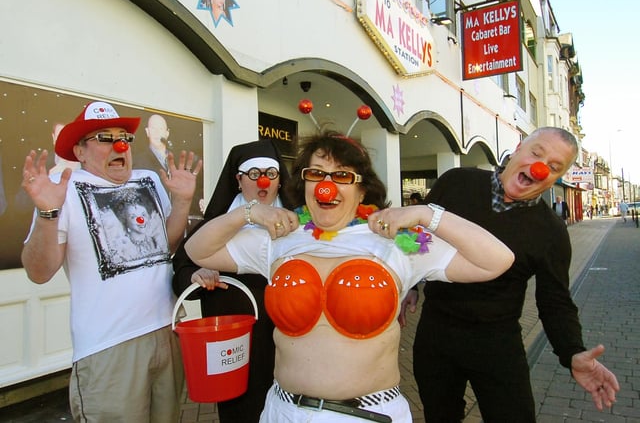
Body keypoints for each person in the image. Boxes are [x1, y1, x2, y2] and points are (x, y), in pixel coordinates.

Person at [183, 131, 514, 422]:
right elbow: (199, 251)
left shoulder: (397, 241)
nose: (328, 186)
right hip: (284, 411)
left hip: (366, 414)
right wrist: (249, 212)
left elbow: (496, 260)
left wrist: (427, 214)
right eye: (317, 173)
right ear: (304, 183)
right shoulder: (279, 238)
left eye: (342, 175)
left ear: (361, 190)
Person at [403, 127, 619, 422]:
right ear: (518, 149)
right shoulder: (456, 182)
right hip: (436, 333)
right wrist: (411, 285)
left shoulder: (551, 232)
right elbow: (421, 238)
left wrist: (572, 352)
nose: (541, 167)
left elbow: (554, 301)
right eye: (537, 153)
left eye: (554, 167)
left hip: (497, 342)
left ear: (556, 179)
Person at [20, 101, 202, 422]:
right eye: (104, 138)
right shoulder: (64, 190)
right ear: (80, 152)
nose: (120, 145)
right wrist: (48, 214)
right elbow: (39, 272)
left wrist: (183, 201)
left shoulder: (149, 180)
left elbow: (166, 246)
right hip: (110, 347)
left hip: (167, 333)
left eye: (124, 138)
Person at [172, 139, 293, 423]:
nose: (263, 180)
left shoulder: (295, 221)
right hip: (233, 330)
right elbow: (183, 263)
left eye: (271, 174)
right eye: (254, 174)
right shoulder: (217, 223)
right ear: (238, 180)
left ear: (279, 180)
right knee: (240, 407)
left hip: (284, 329)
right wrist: (195, 275)